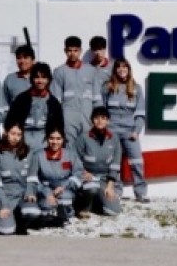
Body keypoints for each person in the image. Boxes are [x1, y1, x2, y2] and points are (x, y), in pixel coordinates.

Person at [101, 58, 149, 202]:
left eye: (125, 68)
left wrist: (136, 130)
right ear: (115, 70)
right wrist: (104, 130)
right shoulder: (107, 87)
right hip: (112, 130)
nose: (122, 70)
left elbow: (140, 113)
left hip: (129, 131)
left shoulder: (136, 88)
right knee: (114, 163)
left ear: (129, 70)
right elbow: (101, 111)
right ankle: (117, 191)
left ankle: (140, 193)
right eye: (119, 68)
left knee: (136, 161)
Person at [0, 121, 41, 235]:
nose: (15, 138)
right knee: (6, 231)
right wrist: (4, 205)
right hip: (5, 196)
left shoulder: (28, 152)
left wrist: (30, 192)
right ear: (6, 133)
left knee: (32, 211)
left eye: (19, 134)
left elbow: (32, 177)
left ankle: (20, 221)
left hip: (22, 195)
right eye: (13, 133)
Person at [51, 36, 101, 146]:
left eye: (75, 50)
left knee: (88, 147)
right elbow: (55, 101)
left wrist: (97, 119)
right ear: (65, 51)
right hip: (68, 119)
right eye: (69, 50)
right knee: (70, 148)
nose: (72, 53)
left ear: (80, 51)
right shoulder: (59, 72)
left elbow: (97, 99)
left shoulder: (91, 71)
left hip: (88, 118)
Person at [75, 106, 122, 217]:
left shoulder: (114, 138)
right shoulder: (83, 138)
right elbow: (75, 160)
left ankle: (96, 203)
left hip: (104, 180)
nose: (100, 121)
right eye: (96, 118)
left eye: (103, 118)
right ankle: (84, 208)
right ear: (92, 120)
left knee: (114, 211)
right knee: (91, 189)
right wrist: (84, 172)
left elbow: (115, 164)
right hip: (87, 179)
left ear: (108, 120)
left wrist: (110, 186)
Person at [7, 63, 64, 151]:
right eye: (37, 77)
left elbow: (59, 127)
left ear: (48, 80)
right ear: (32, 79)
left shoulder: (54, 103)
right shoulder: (22, 99)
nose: (40, 81)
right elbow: (10, 121)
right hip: (23, 138)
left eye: (43, 77)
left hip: (44, 139)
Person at [36, 126, 83, 226]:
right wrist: (47, 193)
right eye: (51, 138)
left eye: (58, 139)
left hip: (64, 190)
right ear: (47, 139)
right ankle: (46, 216)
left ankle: (65, 215)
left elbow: (78, 174)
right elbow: (33, 178)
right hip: (45, 190)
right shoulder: (38, 155)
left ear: (63, 140)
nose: (54, 142)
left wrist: (64, 187)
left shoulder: (70, 154)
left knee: (65, 198)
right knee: (46, 209)